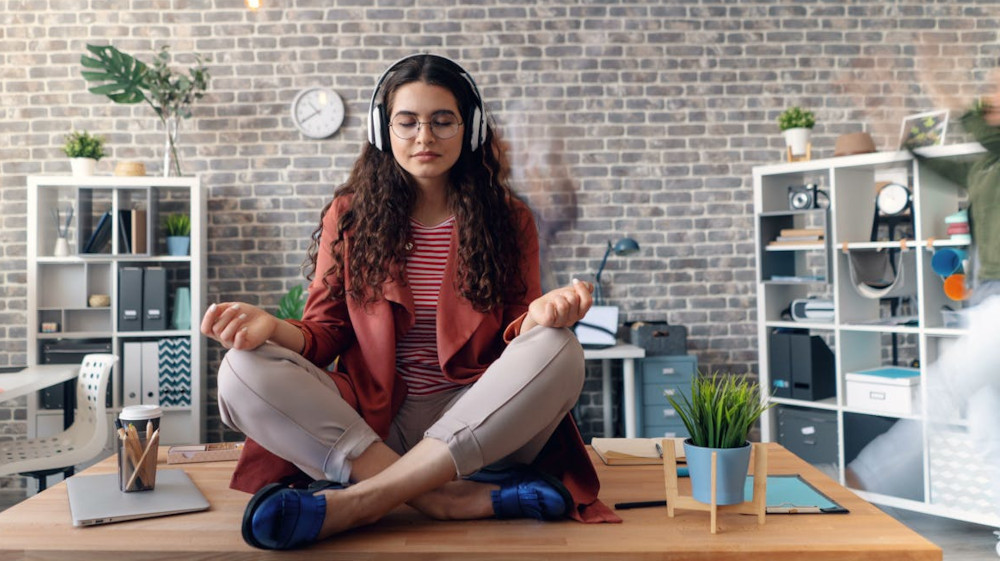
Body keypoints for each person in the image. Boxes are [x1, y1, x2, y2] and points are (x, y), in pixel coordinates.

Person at [201, 54, 619, 551]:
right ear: (384, 130)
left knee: (559, 347)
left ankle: (363, 501)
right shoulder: (350, 215)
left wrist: (543, 316)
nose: (425, 137)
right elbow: (324, 332)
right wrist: (270, 328)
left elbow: (517, 333)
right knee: (240, 370)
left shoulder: (509, 219)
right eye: (408, 122)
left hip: (476, 420)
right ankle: (445, 499)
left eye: (443, 121)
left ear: (471, 128)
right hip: (369, 427)